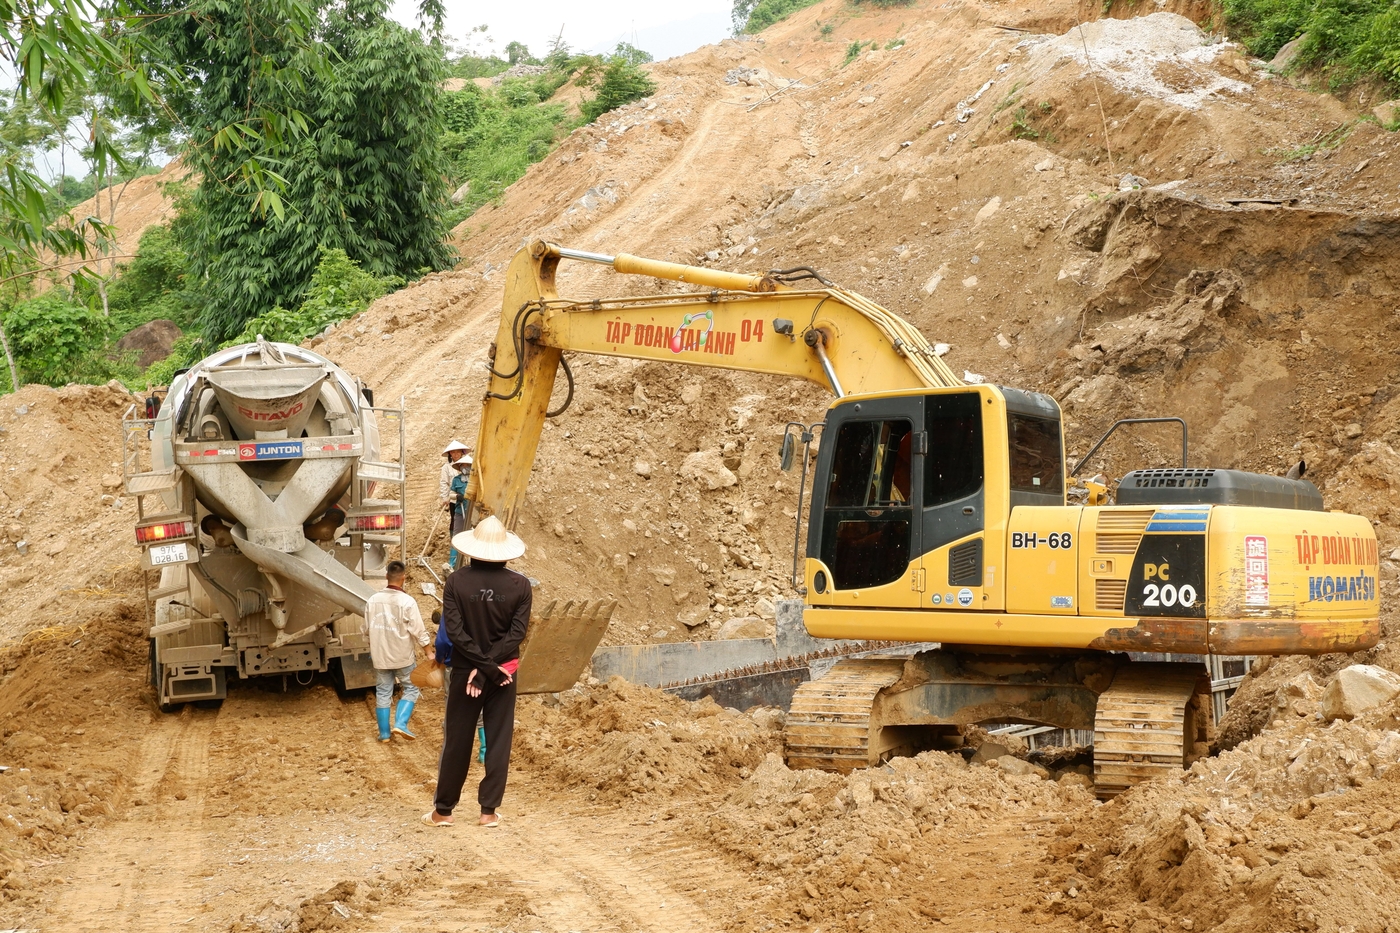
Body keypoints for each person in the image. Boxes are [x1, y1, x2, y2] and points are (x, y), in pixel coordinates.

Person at [425, 516, 530, 828]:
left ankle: (443, 811)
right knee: (498, 740)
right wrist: (491, 670)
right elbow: (517, 634)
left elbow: (454, 633)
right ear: (505, 552)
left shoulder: (457, 582)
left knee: (457, 740)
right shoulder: (520, 585)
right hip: (504, 674)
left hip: (464, 672)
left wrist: (479, 668)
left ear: (471, 549)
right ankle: (488, 812)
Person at [362, 560, 432, 742]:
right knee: (411, 688)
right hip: (403, 657)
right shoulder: (407, 602)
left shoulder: (372, 601)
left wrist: (373, 647)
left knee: (383, 692)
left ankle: (384, 734)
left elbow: (366, 630)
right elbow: (418, 630)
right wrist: (429, 652)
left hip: (380, 657)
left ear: (386, 577)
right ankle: (400, 724)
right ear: (404, 578)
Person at [439, 440, 472, 569]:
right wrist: (446, 498)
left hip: (471, 507)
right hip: (456, 503)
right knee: (456, 524)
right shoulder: (448, 469)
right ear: (450, 454)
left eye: (458, 452)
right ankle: (454, 559)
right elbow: (444, 483)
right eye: (453, 452)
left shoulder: (474, 477)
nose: (456, 454)